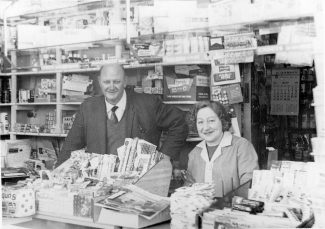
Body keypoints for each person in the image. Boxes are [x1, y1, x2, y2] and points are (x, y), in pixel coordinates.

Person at [58, 63, 188, 165]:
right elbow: (70, 148)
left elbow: (180, 123)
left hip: (141, 183)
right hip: (101, 184)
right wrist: (56, 177)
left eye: (117, 81)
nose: (111, 86)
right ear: (99, 82)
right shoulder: (88, 108)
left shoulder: (148, 104)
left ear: (125, 81)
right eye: (106, 82)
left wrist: (164, 157)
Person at [186, 101, 259, 197]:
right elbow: (189, 188)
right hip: (201, 210)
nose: (206, 127)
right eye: (200, 122)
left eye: (211, 121)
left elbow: (249, 183)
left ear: (222, 121)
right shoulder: (194, 154)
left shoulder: (241, 146)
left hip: (233, 209)